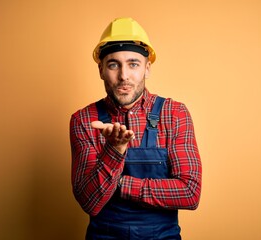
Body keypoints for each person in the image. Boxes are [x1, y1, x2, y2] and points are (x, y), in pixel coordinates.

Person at [70, 17, 202, 240]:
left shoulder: (174, 113)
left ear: (147, 69)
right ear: (101, 69)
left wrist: (119, 183)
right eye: (113, 64)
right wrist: (115, 150)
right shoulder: (84, 119)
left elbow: (190, 193)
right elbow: (89, 201)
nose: (124, 75)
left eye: (133, 64)